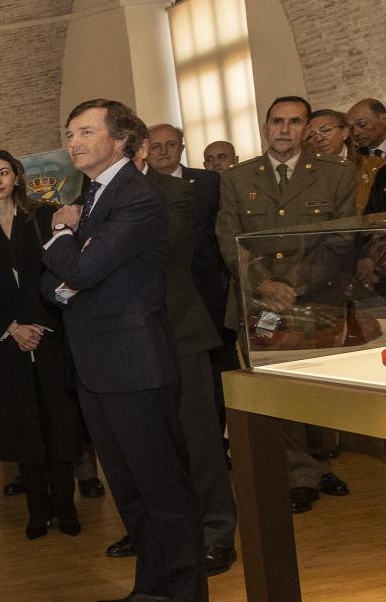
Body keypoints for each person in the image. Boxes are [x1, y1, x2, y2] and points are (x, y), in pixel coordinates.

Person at [43, 98, 208, 602]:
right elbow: (60, 286)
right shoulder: (93, 196)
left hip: (135, 364)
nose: (74, 142)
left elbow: (84, 268)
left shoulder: (136, 197)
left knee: (165, 491)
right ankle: (153, 588)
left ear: (120, 141)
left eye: (86, 132)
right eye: (70, 133)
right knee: (130, 491)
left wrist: (59, 236)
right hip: (96, 365)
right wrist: (69, 260)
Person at [216, 96, 354, 512]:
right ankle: (302, 473)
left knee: (314, 389)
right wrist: (265, 284)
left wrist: (291, 285)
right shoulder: (237, 179)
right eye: (277, 121)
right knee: (275, 388)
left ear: (306, 128)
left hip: (315, 300)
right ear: (265, 126)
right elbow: (229, 239)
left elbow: (342, 238)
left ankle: (315, 463)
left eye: (295, 122)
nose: (284, 129)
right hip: (260, 304)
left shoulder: (336, 175)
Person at [130, 119, 241, 576]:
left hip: (184, 329)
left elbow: (171, 251)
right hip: (137, 340)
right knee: (157, 444)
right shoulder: (99, 197)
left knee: (200, 438)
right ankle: (169, 531)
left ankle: (218, 531)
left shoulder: (173, 193)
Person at [0, 151, 83, 538]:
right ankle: (37, 511)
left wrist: (39, 324)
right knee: (25, 427)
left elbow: (63, 272)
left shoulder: (44, 217)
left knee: (57, 424)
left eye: (3, 173)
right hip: (6, 341)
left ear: (17, 177)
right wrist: (12, 328)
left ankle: (66, 506)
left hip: (49, 336)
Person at [348, 98, 386, 214]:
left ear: (384, 118)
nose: (356, 133)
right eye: (351, 128)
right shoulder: (353, 160)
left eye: (362, 124)